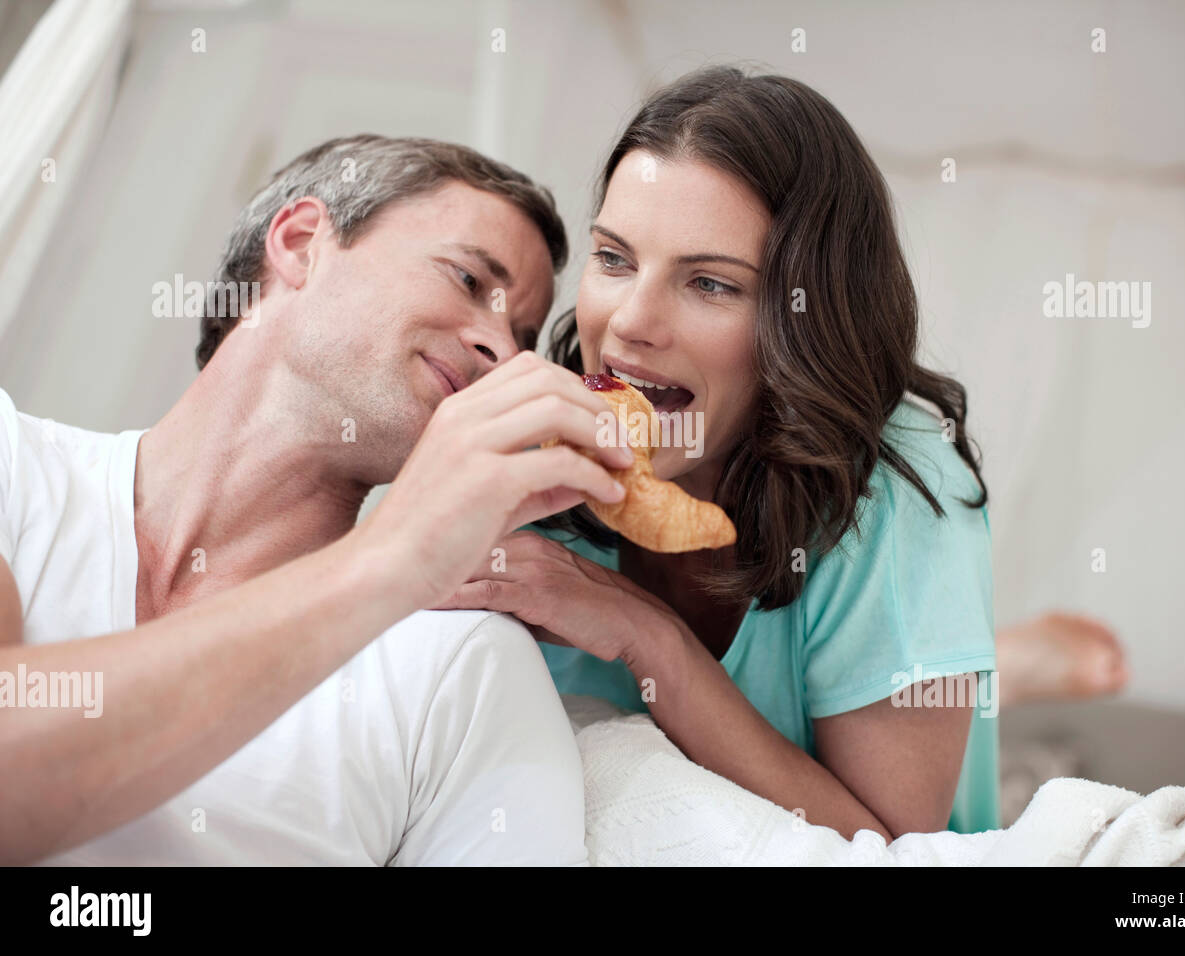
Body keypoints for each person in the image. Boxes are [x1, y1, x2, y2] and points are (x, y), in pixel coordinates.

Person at [436, 66, 1126, 841]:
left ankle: (978, 669)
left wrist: (644, 633)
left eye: (709, 283)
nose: (629, 321)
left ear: (804, 322)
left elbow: (892, 848)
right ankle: (986, 661)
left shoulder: (893, 485)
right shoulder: (524, 443)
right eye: (615, 258)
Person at [0, 135, 634, 865]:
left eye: (523, 336)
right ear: (301, 243)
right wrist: (389, 558)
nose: (505, 352)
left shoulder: (465, 663)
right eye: (467, 279)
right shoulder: (15, 466)